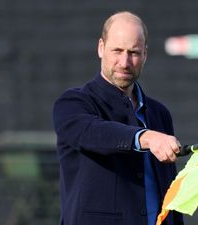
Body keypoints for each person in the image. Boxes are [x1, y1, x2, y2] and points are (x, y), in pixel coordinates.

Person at [53, 11, 184, 225]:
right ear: (101, 48)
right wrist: (146, 137)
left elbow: (168, 191)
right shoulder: (73, 104)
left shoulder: (159, 114)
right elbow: (93, 133)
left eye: (134, 52)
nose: (125, 62)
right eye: (117, 51)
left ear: (145, 55)